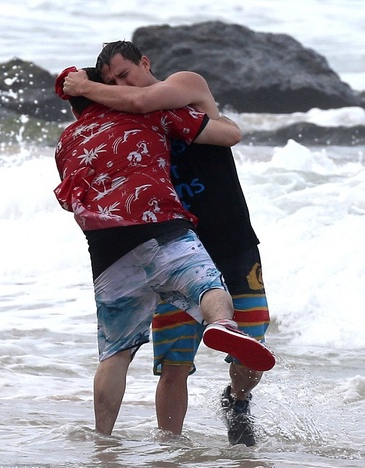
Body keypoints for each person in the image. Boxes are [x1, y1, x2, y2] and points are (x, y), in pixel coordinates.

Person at [63, 42, 274, 445]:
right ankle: (169, 448)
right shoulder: (125, 120)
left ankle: (237, 400)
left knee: (251, 348)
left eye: (125, 75)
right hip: (172, 245)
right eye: (112, 82)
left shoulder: (184, 85)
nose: (121, 87)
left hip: (232, 241)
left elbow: (147, 101)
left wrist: (84, 87)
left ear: (145, 62)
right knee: (174, 362)